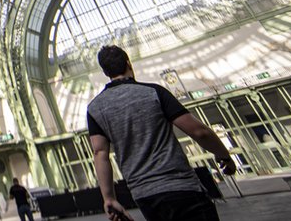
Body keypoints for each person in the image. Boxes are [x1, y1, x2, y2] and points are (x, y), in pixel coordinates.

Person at [87, 46, 236, 221]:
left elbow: (100, 152)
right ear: (128, 63)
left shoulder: (95, 108)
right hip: (182, 187)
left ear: (105, 72)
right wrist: (224, 156)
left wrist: (109, 198)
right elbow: (199, 131)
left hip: (145, 196)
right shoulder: (153, 92)